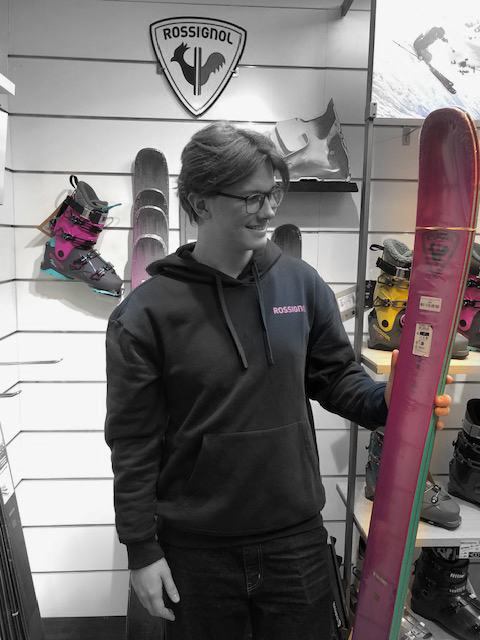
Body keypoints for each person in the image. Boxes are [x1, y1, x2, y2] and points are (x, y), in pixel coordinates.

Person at [104, 121, 451, 640]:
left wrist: (393, 402)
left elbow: (337, 379)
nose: (268, 210)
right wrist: (141, 548)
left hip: (296, 540)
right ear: (200, 202)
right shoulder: (144, 314)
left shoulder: (301, 285)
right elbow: (133, 440)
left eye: (273, 194)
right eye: (251, 197)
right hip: (196, 548)